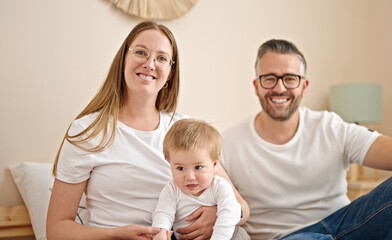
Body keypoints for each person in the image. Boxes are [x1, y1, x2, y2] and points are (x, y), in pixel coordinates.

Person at [46, 21, 249, 240]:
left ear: (170, 73)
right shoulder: (88, 131)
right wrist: (116, 235)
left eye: (161, 58)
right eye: (141, 52)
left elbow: (243, 209)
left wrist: (219, 214)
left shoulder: (183, 130)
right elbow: (56, 229)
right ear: (123, 59)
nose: (150, 64)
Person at [221, 39, 392, 240]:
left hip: (344, 227)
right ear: (256, 86)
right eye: (269, 78)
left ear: (304, 85)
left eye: (290, 78)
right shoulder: (228, 143)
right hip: (286, 238)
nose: (280, 88)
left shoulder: (331, 127)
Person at [152, 119, 250, 240]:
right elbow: (163, 213)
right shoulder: (172, 190)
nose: (189, 177)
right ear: (170, 164)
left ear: (214, 165)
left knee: (239, 234)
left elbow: (228, 215)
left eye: (198, 167)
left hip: (224, 235)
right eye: (180, 168)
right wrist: (161, 231)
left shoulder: (220, 187)